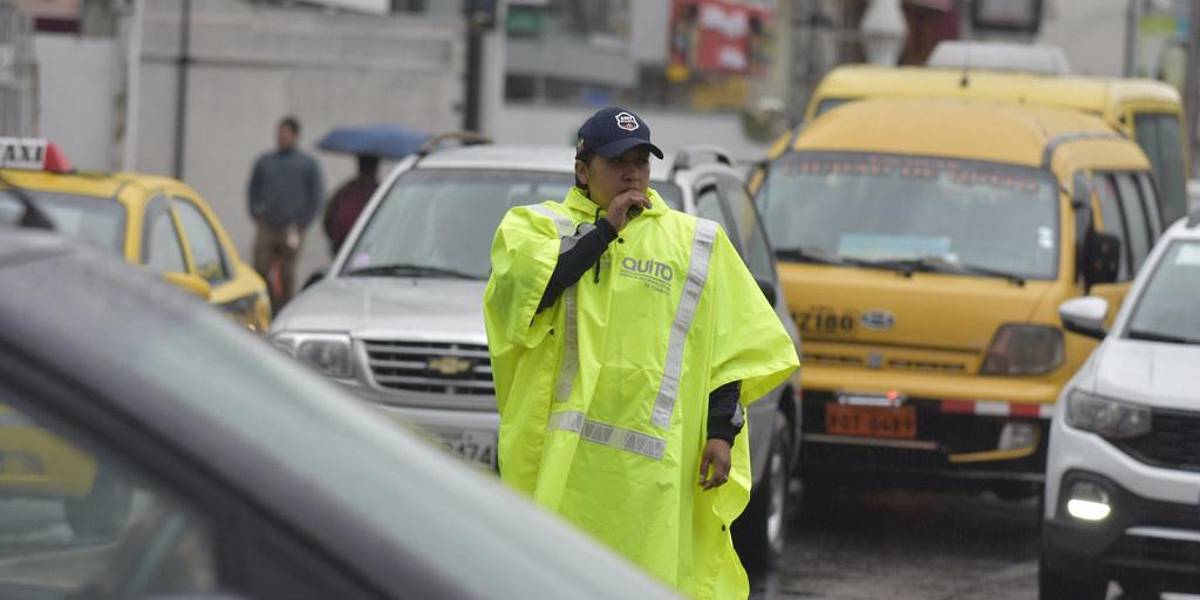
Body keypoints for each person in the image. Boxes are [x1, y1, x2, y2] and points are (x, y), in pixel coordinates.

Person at [483, 107, 799, 599]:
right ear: (583, 171)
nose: (632, 173)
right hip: (559, 464)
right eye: (617, 162)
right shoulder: (534, 228)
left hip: (651, 476)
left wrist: (721, 432)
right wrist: (606, 231)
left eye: (641, 162)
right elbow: (530, 293)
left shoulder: (695, 241)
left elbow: (727, 343)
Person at [247, 115, 324, 311]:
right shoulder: (265, 161)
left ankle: (284, 307)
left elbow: (316, 196)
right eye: (279, 134)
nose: (281, 138)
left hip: (293, 227)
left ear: (295, 136)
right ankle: (266, 304)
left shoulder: (307, 165)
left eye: (286, 134)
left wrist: (303, 222)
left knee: (287, 271)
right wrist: (256, 211)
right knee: (260, 266)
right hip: (268, 225)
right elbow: (253, 188)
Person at [322, 154, 380, 257]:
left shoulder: (346, 189)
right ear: (376, 168)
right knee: (361, 270)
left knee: (344, 272)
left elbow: (328, 217)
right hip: (366, 247)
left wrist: (335, 240)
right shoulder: (380, 191)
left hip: (342, 244)